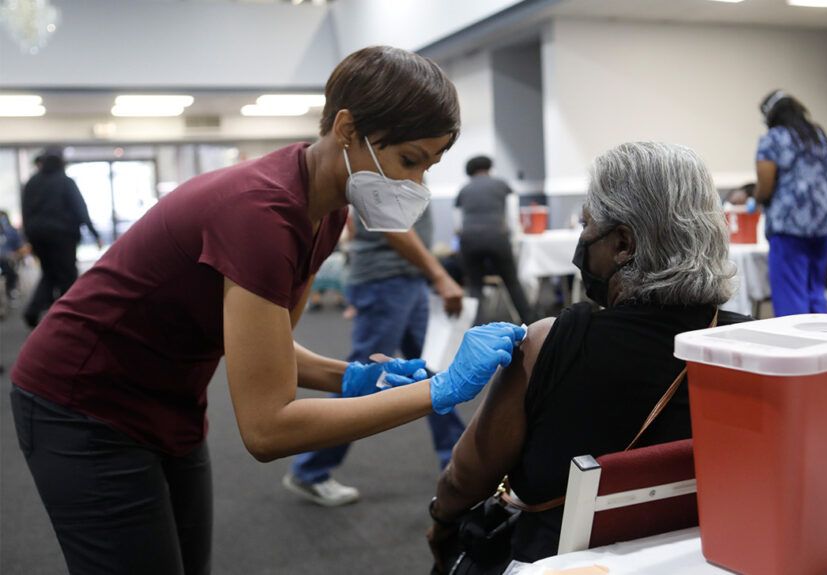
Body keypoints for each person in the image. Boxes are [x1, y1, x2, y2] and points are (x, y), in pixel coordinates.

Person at [9, 45, 525, 575]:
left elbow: (267, 348)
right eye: (409, 161)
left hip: (168, 399)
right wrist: (435, 392)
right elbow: (267, 429)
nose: (416, 186)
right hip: (81, 400)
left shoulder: (323, 207)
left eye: (428, 167)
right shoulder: (261, 212)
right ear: (347, 129)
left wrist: (351, 377)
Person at [426, 142, 748, 573]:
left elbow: (465, 479)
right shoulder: (745, 343)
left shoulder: (550, 344)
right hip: (706, 554)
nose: (581, 239)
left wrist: (440, 521)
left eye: (586, 225)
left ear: (622, 244)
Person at [283, 205, 469, 506]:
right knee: (365, 380)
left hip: (409, 278)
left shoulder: (400, 173)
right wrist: (439, 274)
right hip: (386, 280)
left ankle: (459, 462)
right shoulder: (383, 171)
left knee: (432, 374)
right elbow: (389, 222)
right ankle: (310, 470)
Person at [753, 90, 827, 316]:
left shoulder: (773, 139)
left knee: (791, 294)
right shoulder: (818, 136)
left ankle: (796, 348)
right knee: (816, 290)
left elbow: (765, 185)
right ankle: (822, 346)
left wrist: (756, 198)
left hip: (790, 227)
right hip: (825, 225)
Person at [19, 148, 103, 327]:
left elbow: (25, 212)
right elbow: (80, 208)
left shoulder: (32, 183)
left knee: (49, 273)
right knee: (67, 275)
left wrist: (28, 237)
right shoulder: (65, 182)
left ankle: (33, 311)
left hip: (38, 236)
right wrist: (94, 234)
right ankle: (69, 316)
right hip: (62, 236)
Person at [455, 155, 535, 324]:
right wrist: (513, 241)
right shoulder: (502, 185)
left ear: (470, 172)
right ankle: (530, 323)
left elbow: (457, 224)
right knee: (512, 282)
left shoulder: (464, 190)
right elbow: (512, 217)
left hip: (469, 240)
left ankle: (475, 328)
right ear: (489, 168)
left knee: (475, 286)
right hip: (497, 237)